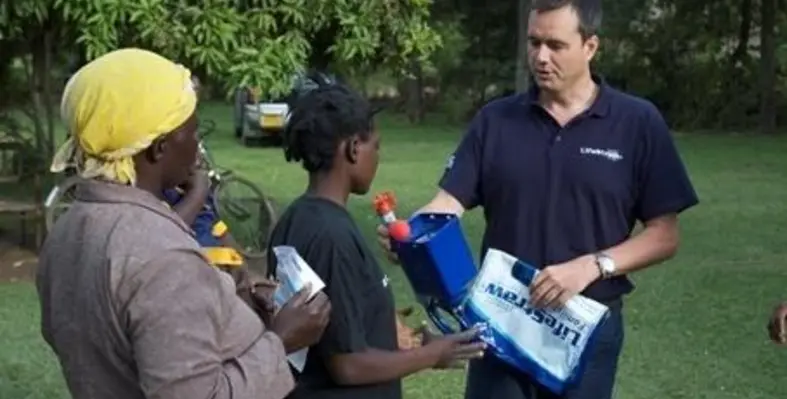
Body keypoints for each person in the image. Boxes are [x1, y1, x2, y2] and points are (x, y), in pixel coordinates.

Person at [377, 1, 699, 398]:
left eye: (555, 45)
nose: (541, 57)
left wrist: (591, 267)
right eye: (534, 42)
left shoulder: (637, 123)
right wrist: (411, 234)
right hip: (501, 322)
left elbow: (664, 235)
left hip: (586, 326)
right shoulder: (496, 121)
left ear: (590, 46)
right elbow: (448, 203)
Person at [37, 47, 332, 399]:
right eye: (192, 133)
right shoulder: (161, 255)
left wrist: (235, 309)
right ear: (158, 148)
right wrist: (281, 341)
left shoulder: (69, 230)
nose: (196, 147)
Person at [266, 81, 486, 399]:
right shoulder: (332, 237)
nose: (378, 157)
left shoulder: (296, 219)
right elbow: (347, 365)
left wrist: (393, 332)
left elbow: (335, 329)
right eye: (376, 146)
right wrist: (433, 355)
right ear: (354, 148)